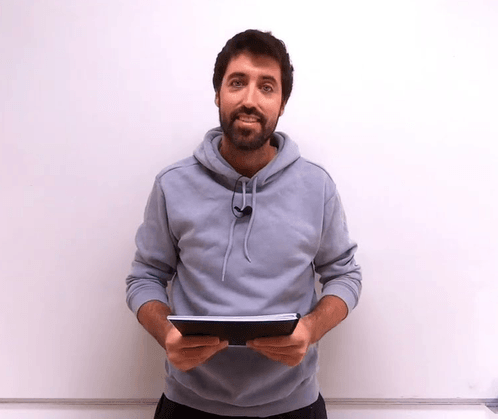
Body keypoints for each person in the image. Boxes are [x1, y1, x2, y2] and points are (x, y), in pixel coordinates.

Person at [126, 29, 362, 419]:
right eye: (237, 83)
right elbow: (145, 276)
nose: (250, 99)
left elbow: (345, 274)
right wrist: (166, 334)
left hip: (295, 406)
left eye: (266, 87)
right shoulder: (172, 185)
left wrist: (311, 329)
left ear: (282, 104)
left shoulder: (317, 186)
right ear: (218, 94)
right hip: (187, 405)